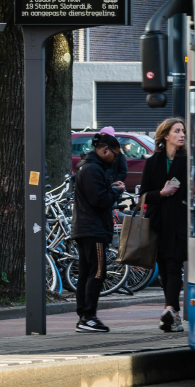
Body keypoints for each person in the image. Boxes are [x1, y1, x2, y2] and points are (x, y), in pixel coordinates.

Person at [70, 132, 125, 332]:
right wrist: (115, 191)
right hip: (94, 229)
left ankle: (84, 315)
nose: (116, 159)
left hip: (84, 228)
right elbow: (99, 200)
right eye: (115, 155)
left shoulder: (86, 167)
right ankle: (88, 317)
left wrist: (109, 188)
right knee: (98, 272)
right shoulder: (93, 169)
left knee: (86, 272)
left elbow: (96, 194)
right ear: (104, 150)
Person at [138, 118, 187, 332]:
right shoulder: (152, 162)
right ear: (166, 136)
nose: (182, 134)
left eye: (183, 131)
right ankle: (172, 313)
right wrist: (161, 193)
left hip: (179, 221)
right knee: (165, 268)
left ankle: (170, 309)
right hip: (158, 224)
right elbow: (142, 197)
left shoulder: (187, 161)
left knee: (174, 263)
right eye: (177, 131)